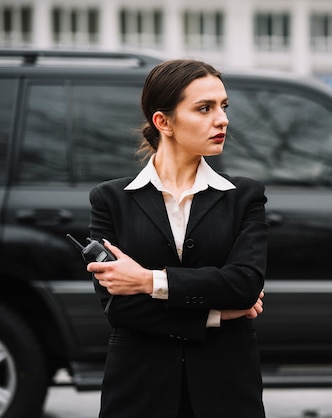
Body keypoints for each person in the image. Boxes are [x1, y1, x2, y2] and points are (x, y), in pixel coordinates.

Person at [86, 59, 268, 418]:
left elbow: (245, 285)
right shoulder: (110, 200)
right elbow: (119, 308)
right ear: (163, 122)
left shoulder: (244, 196)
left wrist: (148, 281)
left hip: (226, 391)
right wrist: (215, 315)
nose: (222, 119)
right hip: (139, 392)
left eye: (223, 106)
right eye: (205, 108)